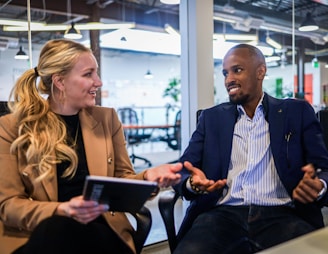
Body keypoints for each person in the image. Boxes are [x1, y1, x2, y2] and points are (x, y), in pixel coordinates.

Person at [0, 38, 182, 254]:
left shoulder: (107, 119)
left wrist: (148, 177)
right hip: (41, 233)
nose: (99, 82)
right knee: (56, 228)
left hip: (99, 230)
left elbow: (122, 180)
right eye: (88, 74)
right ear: (60, 81)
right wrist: (61, 210)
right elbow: (9, 205)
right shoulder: (12, 127)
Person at [172, 43, 328, 254]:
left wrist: (319, 185)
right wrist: (192, 183)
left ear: (260, 71)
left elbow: (323, 167)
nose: (229, 79)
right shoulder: (211, 118)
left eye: (237, 70)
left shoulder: (296, 112)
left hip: (283, 213)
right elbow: (183, 169)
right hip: (222, 215)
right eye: (225, 73)